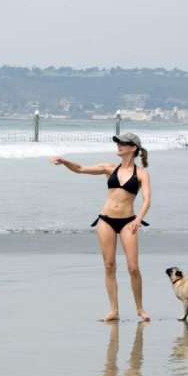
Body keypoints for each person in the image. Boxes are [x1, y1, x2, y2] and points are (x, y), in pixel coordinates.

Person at [49, 132, 151, 321]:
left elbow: (147, 200)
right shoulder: (109, 168)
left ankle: (140, 308)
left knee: (133, 267)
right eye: (118, 143)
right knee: (109, 265)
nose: (118, 145)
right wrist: (64, 161)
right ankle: (114, 310)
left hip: (129, 221)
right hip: (106, 220)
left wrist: (139, 219)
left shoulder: (142, 174)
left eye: (123, 143)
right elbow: (80, 169)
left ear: (133, 148)